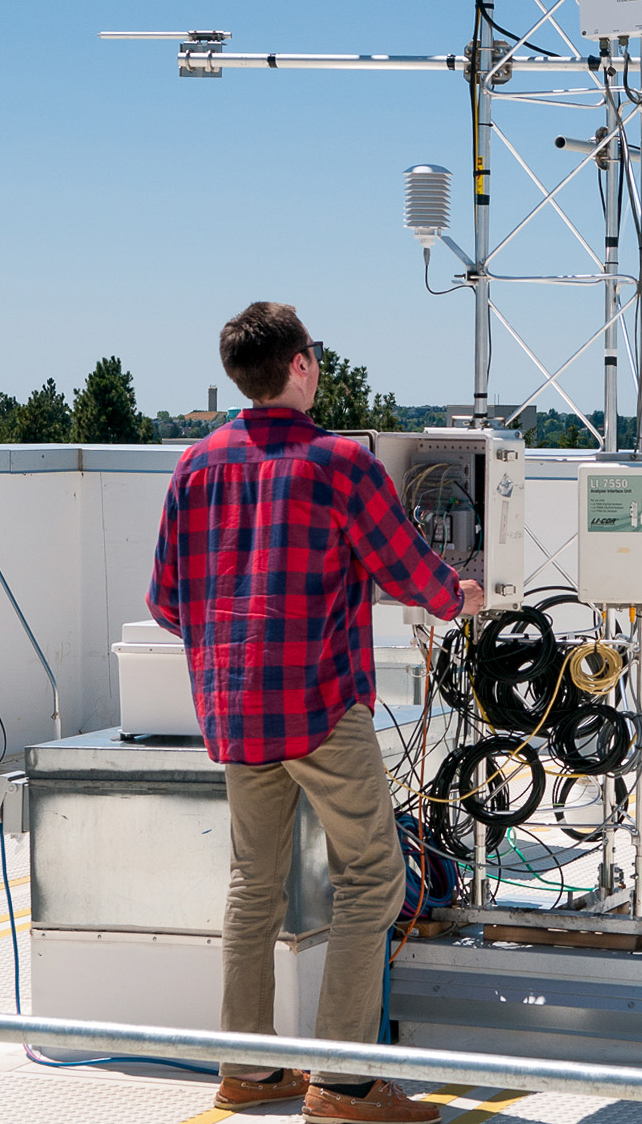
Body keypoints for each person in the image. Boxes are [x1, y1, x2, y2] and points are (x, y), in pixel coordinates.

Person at [148, 301, 484, 1121]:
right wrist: (461, 597)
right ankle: (344, 1080)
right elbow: (407, 567)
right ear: (299, 365)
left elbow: (165, 603)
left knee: (251, 886)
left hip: (234, 711)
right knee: (372, 877)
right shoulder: (340, 464)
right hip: (322, 706)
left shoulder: (194, 467)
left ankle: (249, 1070)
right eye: (316, 354)